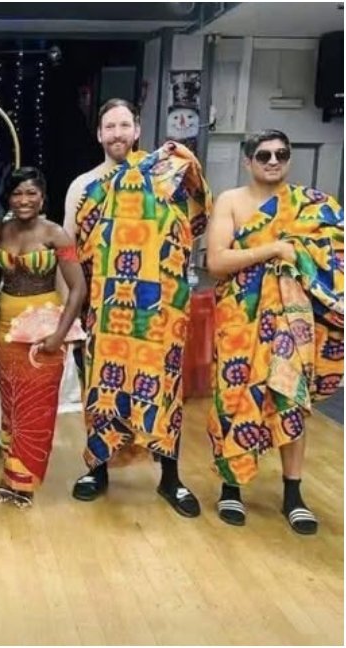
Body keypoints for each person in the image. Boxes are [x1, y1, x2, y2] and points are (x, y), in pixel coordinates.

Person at [68, 98, 211, 517]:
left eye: (124, 125)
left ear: (137, 130)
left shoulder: (167, 177)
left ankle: (171, 478)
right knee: (100, 391)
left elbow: (195, 222)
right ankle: (97, 470)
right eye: (109, 126)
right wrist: (70, 315)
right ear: (99, 134)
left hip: (159, 311)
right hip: (105, 310)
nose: (117, 133)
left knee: (164, 391)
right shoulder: (84, 186)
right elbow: (69, 253)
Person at [206, 129, 343, 534]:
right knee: (233, 397)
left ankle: (293, 493)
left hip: (290, 319)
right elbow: (216, 261)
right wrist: (274, 249)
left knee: (290, 399)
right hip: (240, 318)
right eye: (264, 155)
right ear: (248, 160)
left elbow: (334, 256)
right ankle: (231, 486)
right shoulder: (231, 201)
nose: (272, 161)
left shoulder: (311, 206)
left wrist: (299, 254)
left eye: (281, 154)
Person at [0, 167, 86, 507]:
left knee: (36, 407)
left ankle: (24, 483)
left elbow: (78, 289)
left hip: (44, 331)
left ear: (43, 197)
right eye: (17, 193)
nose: (24, 200)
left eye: (31, 193)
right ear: (8, 198)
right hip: (4, 329)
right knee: (12, 403)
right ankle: (10, 473)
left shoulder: (57, 235)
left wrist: (59, 336)